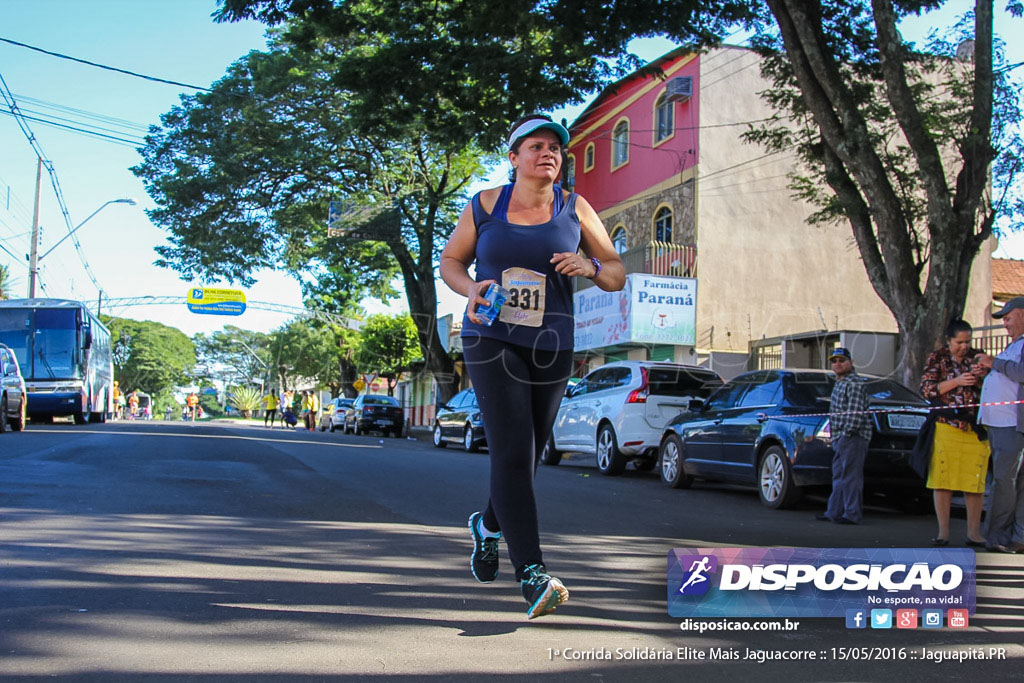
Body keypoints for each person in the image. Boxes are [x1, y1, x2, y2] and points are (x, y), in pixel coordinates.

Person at [440, 114, 624, 619]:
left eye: (556, 149)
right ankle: (533, 574)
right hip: (490, 337)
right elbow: (451, 262)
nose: (549, 153)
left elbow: (615, 273)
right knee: (513, 451)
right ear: (514, 156)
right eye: (537, 146)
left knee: (530, 454)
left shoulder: (575, 207)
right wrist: (470, 288)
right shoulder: (484, 205)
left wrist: (589, 266)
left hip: (551, 344)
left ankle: (488, 526)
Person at [919, 319, 990, 547]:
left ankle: (974, 533)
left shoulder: (978, 357)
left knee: (974, 483)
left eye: (967, 341)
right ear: (948, 341)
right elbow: (928, 390)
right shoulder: (937, 358)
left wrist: (982, 377)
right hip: (946, 426)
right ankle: (943, 533)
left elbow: (994, 385)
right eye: (959, 342)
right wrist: (956, 381)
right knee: (943, 480)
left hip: (974, 428)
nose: (964, 346)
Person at [975, 297, 1024, 553]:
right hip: (1001, 424)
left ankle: (999, 537)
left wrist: (995, 364)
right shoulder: (1013, 346)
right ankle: (1016, 537)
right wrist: (991, 371)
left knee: (1005, 482)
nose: (1004, 322)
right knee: (1011, 481)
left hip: (1011, 424)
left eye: (1008, 316)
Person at [816, 347, 872, 525]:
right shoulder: (840, 382)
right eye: (834, 361)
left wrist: (846, 434)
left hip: (852, 437)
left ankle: (852, 514)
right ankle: (833, 512)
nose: (837, 364)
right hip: (841, 437)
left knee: (850, 476)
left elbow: (855, 413)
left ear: (851, 362)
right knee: (839, 475)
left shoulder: (853, 383)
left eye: (841, 360)